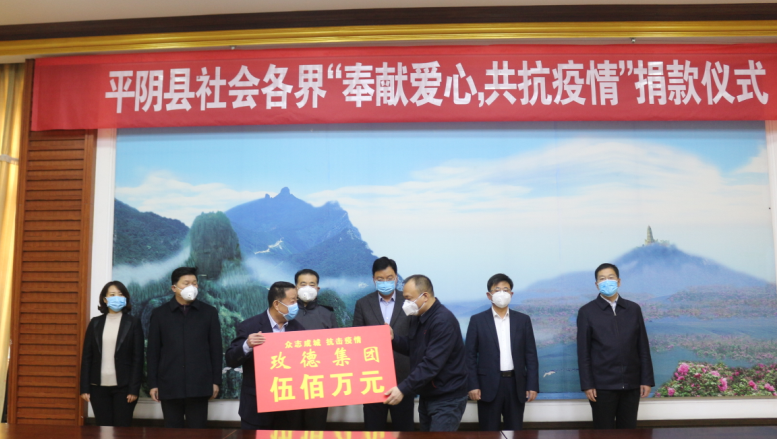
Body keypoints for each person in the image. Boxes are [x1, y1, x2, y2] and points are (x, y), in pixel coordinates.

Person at [385, 274, 468, 432]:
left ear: (425, 296)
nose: (406, 303)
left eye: (409, 299)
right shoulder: (418, 316)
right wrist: (393, 339)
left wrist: (403, 389)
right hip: (427, 394)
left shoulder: (443, 321)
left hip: (447, 398)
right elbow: (413, 347)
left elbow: (431, 364)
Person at [577, 263, 655, 429]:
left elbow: (642, 346)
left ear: (619, 281)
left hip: (632, 384)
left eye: (611, 277)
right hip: (602, 386)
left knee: (628, 431)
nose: (607, 281)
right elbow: (583, 352)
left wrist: (646, 380)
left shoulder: (633, 309)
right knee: (603, 431)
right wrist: (588, 384)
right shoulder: (587, 312)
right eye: (602, 279)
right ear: (596, 284)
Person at [147, 267, 223, 428]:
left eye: (194, 283)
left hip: (199, 385)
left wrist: (216, 381)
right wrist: (153, 383)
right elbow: (153, 352)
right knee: (172, 432)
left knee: (198, 433)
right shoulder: (160, 314)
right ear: (174, 288)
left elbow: (216, 350)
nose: (191, 287)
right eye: (186, 283)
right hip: (169, 385)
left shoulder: (209, 313)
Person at [225, 281, 304, 430]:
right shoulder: (250, 326)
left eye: (296, 301)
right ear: (277, 304)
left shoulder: (298, 329)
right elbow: (230, 359)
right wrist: (247, 345)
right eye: (293, 301)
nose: (296, 305)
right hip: (256, 409)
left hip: (287, 410)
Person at [465, 273, 539, 431]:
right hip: (487, 386)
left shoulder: (523, 320)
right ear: (489, 295)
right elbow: (469, 356)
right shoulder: (477, 320)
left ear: (511, 294)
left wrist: (532, 385)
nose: (502, 293)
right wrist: (473, 385)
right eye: (497, 289)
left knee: (515, 431)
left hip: (516, 384)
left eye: (506, 290)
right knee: (488, 431)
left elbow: (531, 355)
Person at [352, 257, 414, 431]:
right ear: (374, 279)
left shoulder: (409, 302)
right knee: (373, 429)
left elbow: (415, 339)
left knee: (404, 429)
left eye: (389, 278)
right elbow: (356, 339)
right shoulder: (363, 304)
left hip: (403, 378)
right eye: (380, 279)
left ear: (396, 278)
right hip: (372, 378)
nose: (385, 282)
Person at [80, 281, 144, 426]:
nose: (117, 297)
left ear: (126, 298)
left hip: (124, 387)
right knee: (103, 429)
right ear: (105, 299)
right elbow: (87, 357)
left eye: (120, 294)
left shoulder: (133, 323)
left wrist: (134, 389)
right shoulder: (95, 323)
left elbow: (138, 359)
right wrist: (84, 388)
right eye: (112, 294)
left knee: (122, 430)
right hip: (98, 387)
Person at [294, 268, 338, 430]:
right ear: (295, 287)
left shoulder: (327, 314)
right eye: (303, 284)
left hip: (318, 383)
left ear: (318, 289)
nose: (307, 287)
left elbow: (336, 347)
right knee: (290, 427)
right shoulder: (285, 312)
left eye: (311, 284)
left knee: (316, 427)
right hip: (290, 381)